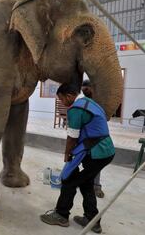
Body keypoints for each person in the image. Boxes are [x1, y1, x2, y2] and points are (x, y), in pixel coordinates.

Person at [40, 84, 115, 234]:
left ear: (69, 96)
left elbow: (72, 137)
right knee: (86, 183)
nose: (61, 103)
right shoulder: (89, 103)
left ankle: (61, 215)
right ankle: (92, 220)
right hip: (105, 151)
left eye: (61, 99)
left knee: (69, 180)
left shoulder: (76, 108)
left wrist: (67, 154)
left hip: (96, 153)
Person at [82, 80, 105, 198]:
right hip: (86, 138)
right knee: (87, 162)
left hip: (97, 139)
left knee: (95, 163)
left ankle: (96, 186)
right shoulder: (83, 104)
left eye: (87, 88)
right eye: (83, 88)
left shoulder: (98, 104)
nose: (85, 90)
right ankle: (87, 184)